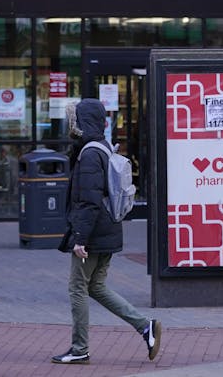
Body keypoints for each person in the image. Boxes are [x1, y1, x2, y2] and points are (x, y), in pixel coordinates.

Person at [52, 98, 162, 365]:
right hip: (107, 229)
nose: (71, 124)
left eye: (74, 119)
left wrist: (80, 238)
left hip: (93, 233)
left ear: (83, 121)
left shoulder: (90, 154)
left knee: (78, 288)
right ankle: (145, 327)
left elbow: (88, 201)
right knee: (97, 286)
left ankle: (80, 349)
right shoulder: (101, 147)